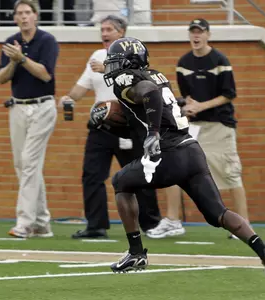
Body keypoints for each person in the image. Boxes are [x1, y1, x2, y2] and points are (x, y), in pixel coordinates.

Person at [98, 36, 265, 292]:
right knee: (217, 213)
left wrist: (152, 134)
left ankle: (136, 252)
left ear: (129, 62)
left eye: (116, 62)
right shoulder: (155, 74)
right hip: (191, 150)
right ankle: (264, 251)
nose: (112, 68)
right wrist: (112, 121)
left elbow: (149, 95)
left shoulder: (126, 80)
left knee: (121, 181)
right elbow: (147, 111)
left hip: (168, 154)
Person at [59, 15, 161, 239]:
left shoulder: (132, 55)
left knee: (141, 175)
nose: (104, 34)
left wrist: (107, 69)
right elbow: (81, 87)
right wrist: (69, 98)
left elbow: (139, 80)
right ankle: (96, 226)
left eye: (109, 30)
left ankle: (152, 224)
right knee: (91, 175)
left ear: (121, 32)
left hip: (129, 125)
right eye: (102, 29)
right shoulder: (96, 56)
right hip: (101, 126)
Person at [175, 18, 249, 240]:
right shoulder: (183, 62)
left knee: (230, 173)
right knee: (180, 169)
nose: (196, 36)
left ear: (208, 35)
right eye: (193, 32)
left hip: (219, 125)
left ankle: (243, 226)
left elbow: (229, 94)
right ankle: (172, 222)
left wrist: (201, 106)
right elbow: (187, 94)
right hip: (195, 126)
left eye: (200, 32)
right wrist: (189, 107)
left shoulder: (220, 60)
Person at [0, 0, 59, 238]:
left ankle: (24, 222)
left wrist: (22, 59)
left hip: (42, 106)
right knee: (23, 165)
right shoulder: (11, 42)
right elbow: (1, 78)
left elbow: (45, 74)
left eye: (27, 13)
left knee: (29, 162)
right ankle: (42, 222)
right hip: (18, 107)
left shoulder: (47, 41)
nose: (23, 17)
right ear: (14, 18)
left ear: (35, 16)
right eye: (19, 14)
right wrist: (13, 61)